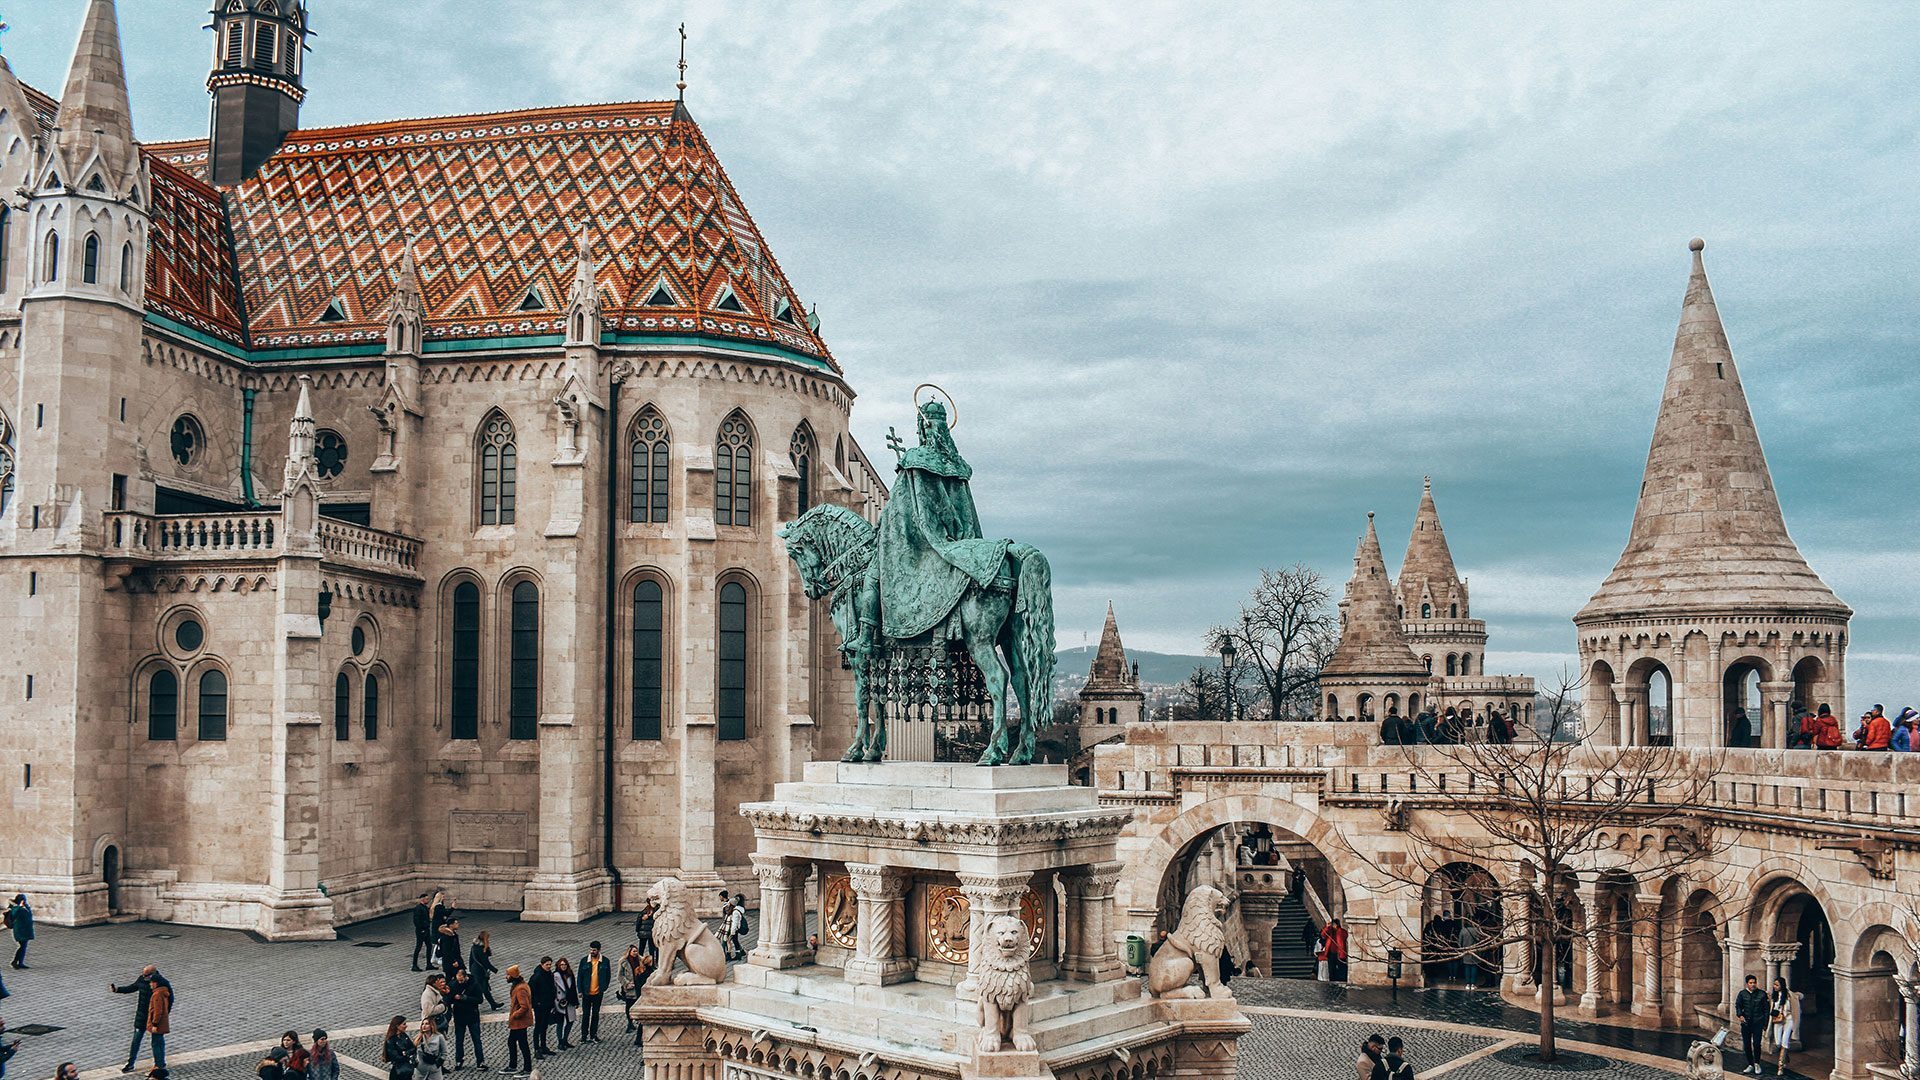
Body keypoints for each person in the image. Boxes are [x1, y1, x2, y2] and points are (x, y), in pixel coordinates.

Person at [111, 964, 163, 1073]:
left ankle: (159, 1064)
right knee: (136, 1040)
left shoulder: (161, 983)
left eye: (146, 975)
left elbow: (169, 999)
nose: (143, 977)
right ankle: (130, 1064)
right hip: (141, 1016)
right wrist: (117, 990)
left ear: (153, 974)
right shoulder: (142, 979)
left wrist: (162, 1016)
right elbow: (133, 987)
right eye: (143, 974)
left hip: (155, 1017)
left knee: (157, 1041)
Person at [449, 966, 487, 1072]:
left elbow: (479, 999)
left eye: (461, 980)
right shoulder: (453, 984)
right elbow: (449, 997)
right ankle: (458, 1060)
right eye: (458, 980)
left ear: (466, 977)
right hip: (459, 1016)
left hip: (472, 1015)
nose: (460, 982)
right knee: (459, 1040)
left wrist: (465, 998)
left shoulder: (474, 984)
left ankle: (480, 1061)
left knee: (476, 1039)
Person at [1736, 974, 1770, 1074]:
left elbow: (1766, 1009)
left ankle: (1757, 1064)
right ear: (1747, 984)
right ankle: (1750, 1064)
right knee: (1747, 1045)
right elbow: (1738, 1005)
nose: (1753, 984)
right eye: (1750, 983)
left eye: (1754, 982)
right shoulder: (1742, 994)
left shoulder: (1762, 994)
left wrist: (1765, 1023)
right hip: (1746, 1023)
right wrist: (1740, 1015)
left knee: (1756, 1044)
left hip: (1758, 1022)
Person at [578, 941, 611, 1043]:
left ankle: (593, 1035)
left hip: (598, 993)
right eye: (591, 950)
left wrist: (604, 987)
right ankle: (584, 1036)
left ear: (599, 950)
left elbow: (608, 975)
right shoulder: (584, 961)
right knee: (586, 1015)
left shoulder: (605, 961)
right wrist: (580, 990)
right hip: (586, 992)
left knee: (595, 1015)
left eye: (594, 950)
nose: (592, 952)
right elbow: (580, 976)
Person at [504, 966, 533, 1077]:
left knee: (522, 1044)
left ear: (513, 976)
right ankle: (513, 1066)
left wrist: (515, 1015)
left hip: (520, 1022)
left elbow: (524, 1006)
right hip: (518, 1022)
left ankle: (526, 1068)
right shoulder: (518, 986)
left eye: (508, 975)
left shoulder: (520, 989)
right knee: (512, 1042)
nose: (506, 977)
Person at [145, 969, 172, 1076]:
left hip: (158, 1025)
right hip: (162, 1023)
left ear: (156, 983)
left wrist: (154, 1024)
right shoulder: (163, 992)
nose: (150, 984)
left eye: (151, 983)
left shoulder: (156, 995)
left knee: (156, 1044)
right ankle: (161, 1063)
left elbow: (157, 1011)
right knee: (160, 1043)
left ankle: (158, 1065)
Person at [529, 957, 557, 1058]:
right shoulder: (536, 977)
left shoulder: (549, 974)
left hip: (547, 1005)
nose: (549, 966)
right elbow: (531, 992)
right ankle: (537, 1049)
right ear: (542, 964)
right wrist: (537, 1003)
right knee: (538, 1027)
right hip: (539, 1006)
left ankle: (544, 1046)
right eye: (547, 965)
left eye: (550, 964)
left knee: (544, 1026)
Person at [1770, 976, 1797, 1075]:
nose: (1775, 987)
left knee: (1784, 1042)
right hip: (1778, 1020)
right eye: (1774, 984)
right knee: (1778, 1043)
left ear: (1782, 985)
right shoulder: (1774, 996)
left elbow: (1798, 1000)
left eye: (1777, 985)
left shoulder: (1789, 995)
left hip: (1788, 1020)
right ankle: (1785, 1055)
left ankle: (1780, 1067)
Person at [469, 931, 501, 1010]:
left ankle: (493, 1004)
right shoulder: (480, 948)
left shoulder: (475, 946)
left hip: (475, 969)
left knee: (484, 988)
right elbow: (485, 962)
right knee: (482, 988)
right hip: (479, 971)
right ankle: (475, 1004)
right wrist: (494, 970)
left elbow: (471, 959)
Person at [553, 957, 579, 1050]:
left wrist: (576, 1001)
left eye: (565, 965)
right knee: (560, 1022)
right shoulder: (555, 975)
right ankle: (560, 1042)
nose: (563, 966)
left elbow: (573, 988)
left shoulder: (570, 974)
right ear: (558, 966)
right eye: (562, 965)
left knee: (570, 1021)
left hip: (570, 1000)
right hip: (559, 1002)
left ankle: (565, 1040)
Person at [618, 945, 645, 1033]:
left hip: (639, 985)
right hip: (630, 987)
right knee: (629, 1005)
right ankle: (630, 1023)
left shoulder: (641, 960)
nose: (635, 953)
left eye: (636, 951)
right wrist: (626, 983)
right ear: (629, 952)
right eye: (633, 951)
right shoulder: (623, 961)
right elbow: (620, 975)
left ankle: (638, 1022)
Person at [5, 896, 31, 970]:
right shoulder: (16, 909)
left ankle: (20, 962)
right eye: (24, 900)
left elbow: (28, 915)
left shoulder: (24, 907)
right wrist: (20, 907)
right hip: (19, 930)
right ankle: (15, 962)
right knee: (22, 946)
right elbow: (15, 916)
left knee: (23, 946)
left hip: (25, 930)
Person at [411, 894, 435, 972]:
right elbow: (416, 920)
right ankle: (414, 965)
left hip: (426, 929)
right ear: (422, 899)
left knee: (429, 946)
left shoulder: (424, 908)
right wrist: (421, 929)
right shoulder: (418, 908)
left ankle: (429, 964)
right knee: (418, 947)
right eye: (426, 899)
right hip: (421, 930)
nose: (428, 900)